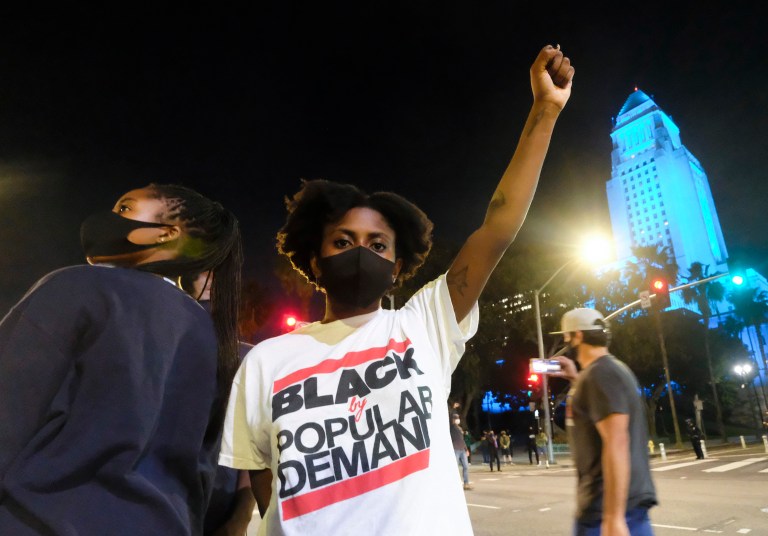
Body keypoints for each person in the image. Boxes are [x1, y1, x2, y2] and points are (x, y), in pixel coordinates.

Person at [219, 44, 575, 535]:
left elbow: (497, 226)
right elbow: (264, 480)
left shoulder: (424, 325)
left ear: (397, 265)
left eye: (377, 244)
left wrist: (545, 111)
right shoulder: (265, 362)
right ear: (314, 260)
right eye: (343, 241)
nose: (360, 252)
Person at [0, 184, 243, 535]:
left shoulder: (77, 288)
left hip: (46, 520)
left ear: (166, 233)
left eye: (125, 209)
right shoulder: (214, 337)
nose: (110, 218)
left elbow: (10, 407)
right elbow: (208, 470)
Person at [553, 307, 658, 536]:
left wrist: (613, 518)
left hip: (607, 512)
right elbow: (599, 410)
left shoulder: (602, 374)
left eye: (566, 337)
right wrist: (575, 378)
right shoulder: (601, 373)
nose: (566, 343)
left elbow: (617, 441)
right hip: (607, 509)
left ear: (577, 336)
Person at [181, 272, 257, 536]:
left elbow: (256, 450)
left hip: (220, 508)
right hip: (164, 505)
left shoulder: (249, 360)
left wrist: (239, 519)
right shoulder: (163, 351)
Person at [450, 413, 473, 490]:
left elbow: (462, 440)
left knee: (466, 466)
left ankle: (466, 483)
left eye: (458, 418)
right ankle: (454, 484)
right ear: (453, 419)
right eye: (456, 418)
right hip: (455, 449)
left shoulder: (460, 428)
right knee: (455, 467)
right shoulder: (451, 428)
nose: (457, 419)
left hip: (462, 449)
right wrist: (453, 408)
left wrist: (466, 449)